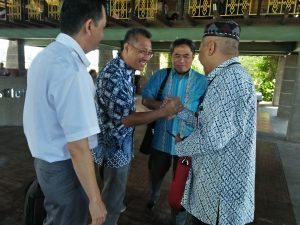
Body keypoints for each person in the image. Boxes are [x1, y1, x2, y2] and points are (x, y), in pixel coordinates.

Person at [23, 1, 107, 225]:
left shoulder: (46, 57)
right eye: (103, 26)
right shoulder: (71, 69)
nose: (102, 33)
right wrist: (95, 199)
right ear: (89, 26)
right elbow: (77, 146)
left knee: (56, 216)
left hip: (46, 161)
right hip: (66, 167)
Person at [91, 28, 183, 225]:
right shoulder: (112, 76)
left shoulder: (126, 71)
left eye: (149, 52)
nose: (146, 57)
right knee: (111, 204)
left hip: (120, 147)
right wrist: (164, 112)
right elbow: (127, 119)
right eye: (142, 51)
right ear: (126, 47)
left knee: (113, 196)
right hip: (113, 151)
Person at [175, 20, 256, 225]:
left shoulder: (230, 80)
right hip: (214, 198)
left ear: (210, 47)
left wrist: (180, 146)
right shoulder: (226, 78)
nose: (199, 53)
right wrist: (180, 112)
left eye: (200, 47)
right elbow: (212, 126)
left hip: (219, 203)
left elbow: (212, 139)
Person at [142, 38, 208, 225]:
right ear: (171, 56)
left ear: (193, 57)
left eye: (186, 56)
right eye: (177, 56)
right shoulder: (160, 76)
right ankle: (153, 196)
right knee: (155, 175)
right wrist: (163, 106)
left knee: (181, 184)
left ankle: (178, 219)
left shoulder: (202, 82)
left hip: (187, 146)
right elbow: (146, 99)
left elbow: (205, 114)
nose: (181, 60)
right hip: (160, 143)